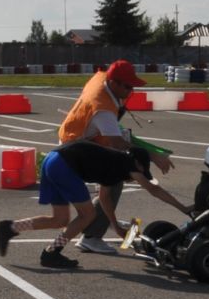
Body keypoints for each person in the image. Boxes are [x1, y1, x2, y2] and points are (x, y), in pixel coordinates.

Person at [0, 136, 186, 269]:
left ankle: (11, 227)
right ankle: (52, 252)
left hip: (52, 160)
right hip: (64, 164)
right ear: (137, 165)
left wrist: (115, 224)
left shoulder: (113, 166)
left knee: (60, 219)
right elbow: (153, 189)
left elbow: (104, 199)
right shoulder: (127, 163)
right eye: (141, 174)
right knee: (87, 214)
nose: (137, 179)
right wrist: (183, 208)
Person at [56, 60, 144, 254]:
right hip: (74, 152)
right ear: (115, 83)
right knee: (112, 181)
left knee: (112, 181)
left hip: (74, 142)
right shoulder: (103, 109)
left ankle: (99, 224)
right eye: (128, 86)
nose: (131, 91)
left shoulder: (102, 78)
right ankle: (91, 236)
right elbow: (116, 145)